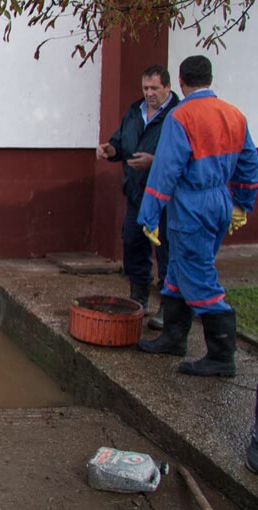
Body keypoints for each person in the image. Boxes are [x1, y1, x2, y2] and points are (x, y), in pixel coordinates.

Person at [136, 55, 258, 377]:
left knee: (198, 274)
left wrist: (149, 214)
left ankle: (221, 356)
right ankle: (173, 338)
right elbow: (249, 162)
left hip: (191, 205)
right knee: (177, 269)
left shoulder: (181, 117)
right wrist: (242, 203)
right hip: (220, 200)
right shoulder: (235, 115)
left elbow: (165, 171)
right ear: (209, 78)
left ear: (180, 82)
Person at [97, 65, 180, 329]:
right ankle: (139, 300)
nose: (149, 94)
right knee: (133, 246)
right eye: (145, 88)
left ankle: (168, 308)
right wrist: (110, 150)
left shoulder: (178, 116)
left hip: (166, 199)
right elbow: (120, 143)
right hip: (136, 195)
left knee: (165, 251)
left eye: (154, 88)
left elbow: (184, 158)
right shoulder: (135, 111)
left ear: (167, 87)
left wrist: (154, 162)